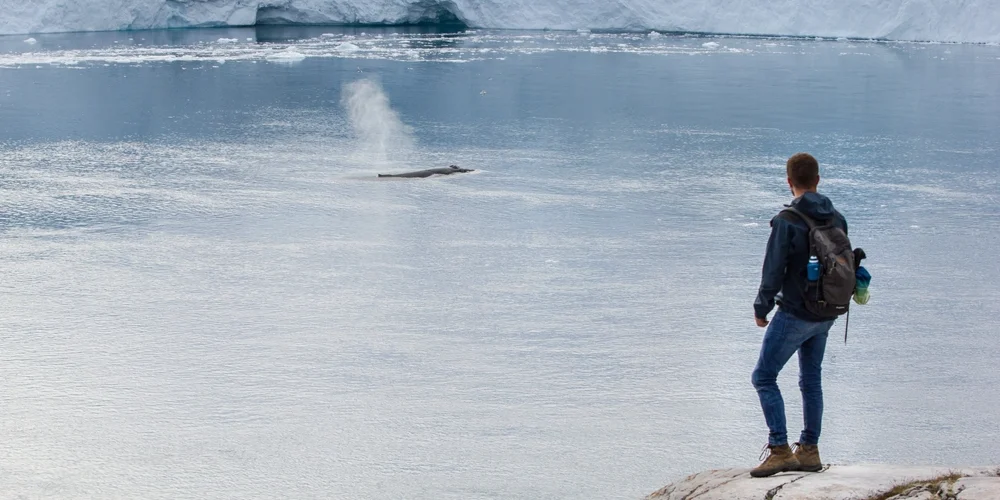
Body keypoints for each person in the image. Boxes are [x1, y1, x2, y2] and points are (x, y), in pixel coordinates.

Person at [750, 152, 848, 478]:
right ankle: (809, 450)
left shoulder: (787, 221)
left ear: (789, 181)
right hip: (827, 313)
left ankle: (779, 449)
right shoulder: (837, 218)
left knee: (763, 377)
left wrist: (761, 308)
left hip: (795, 313)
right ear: (817, 180)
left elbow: (773, 270)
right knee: (811, 380)